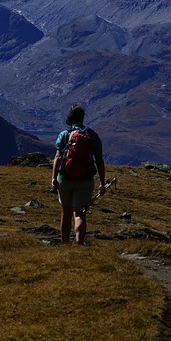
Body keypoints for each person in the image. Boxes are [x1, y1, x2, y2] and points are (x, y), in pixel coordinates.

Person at [51, 104, 106, 245]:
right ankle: (79, 242)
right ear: (82, 118)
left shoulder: (64, 135)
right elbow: (99, 161)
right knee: (79, 214)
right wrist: (102, 182)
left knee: (66, 213)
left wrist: (53, 178)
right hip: (85, 180)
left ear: (69, 119)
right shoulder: (92, 136)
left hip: (65, 178)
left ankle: (65, 244)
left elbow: (57, 157)